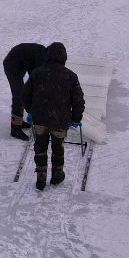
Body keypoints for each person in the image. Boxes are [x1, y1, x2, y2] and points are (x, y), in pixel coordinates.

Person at [20, 42, 85, 190]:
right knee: (58, 147)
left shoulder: (36, 73)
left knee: (40, 147)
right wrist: (76, 118)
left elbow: (24, 95)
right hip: (60, 121)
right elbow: (78, 100)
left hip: (40, 120)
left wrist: (32, 111)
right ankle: (57, 175)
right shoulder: (71, 76)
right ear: (64, 56)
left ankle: (41, 177)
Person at [3, 42, 47, 139]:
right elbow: (34, 78)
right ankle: (15, 129)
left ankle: (19, 121)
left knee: (23, 94)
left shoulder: (44, 54)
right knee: (19, 97)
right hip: (12, 67)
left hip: (20, 63)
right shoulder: (41, 59)